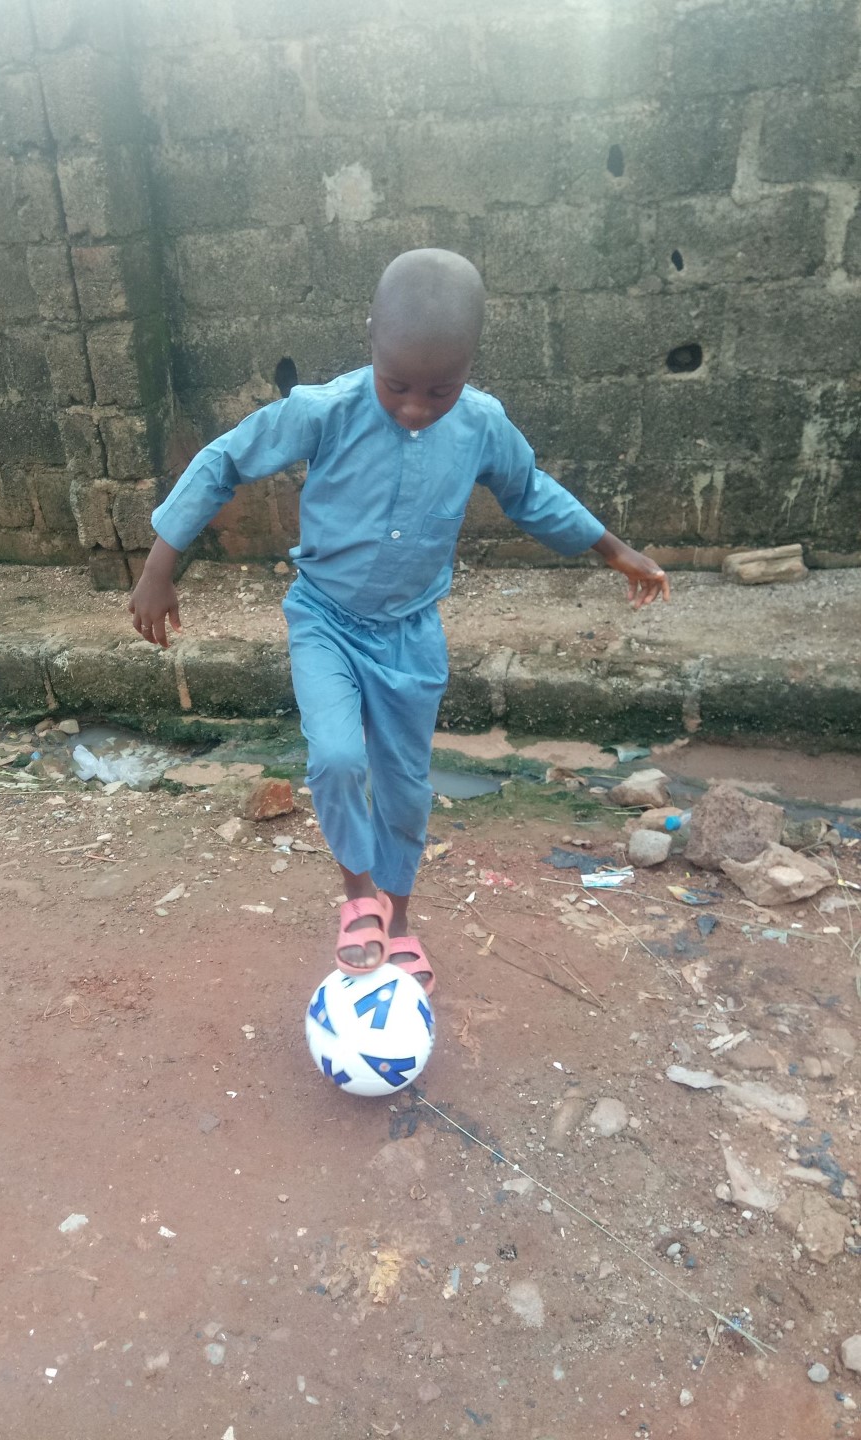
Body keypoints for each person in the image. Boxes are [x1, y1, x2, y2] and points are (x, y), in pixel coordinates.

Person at [128, 249, 669, 994]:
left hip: (411, 635)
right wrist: (159, 566)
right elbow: (225, 460)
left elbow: (530, 492)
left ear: (470, 363)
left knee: (407, 786)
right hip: (324, 618)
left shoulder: (481, 424)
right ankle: (358, 898)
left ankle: (400, 916)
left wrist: (615, 551)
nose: (416, 407)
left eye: (440, 389)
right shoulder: (324, 410)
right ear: (371, 338)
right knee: (337, 759)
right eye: (398, 385)